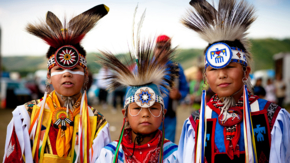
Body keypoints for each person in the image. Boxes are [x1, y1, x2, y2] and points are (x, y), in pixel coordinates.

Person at [178, 0, 290, 162]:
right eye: (214, 69)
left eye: (230, 67)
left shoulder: (272, 117)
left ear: (246, 72)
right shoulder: (196, 123)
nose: (222, 75)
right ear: (205, 76)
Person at [3, 4, 111, 163]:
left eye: (74, 68)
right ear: (48, 75)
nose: (67, 73)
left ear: (86, 74)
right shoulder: (25, 116)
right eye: (59, 68)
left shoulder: (97, 123)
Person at [96, 10, 179, 162]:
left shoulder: (174, 155)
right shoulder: (111, 155)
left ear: (162, 113)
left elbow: (184, 89)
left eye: (153, 108)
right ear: (125, 114)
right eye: (137, 108)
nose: (145, 114)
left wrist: (180, 95)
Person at [154, 35, 189, 143]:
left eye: (166, 48)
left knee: (167, 148)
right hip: (147, 115)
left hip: (169, 117)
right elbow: (131, 90)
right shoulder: (144, 66)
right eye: (159, 47)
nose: (162, 51)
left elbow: (185, 89)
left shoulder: (176, 68)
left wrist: (179, 95)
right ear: (154, 48)